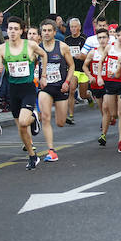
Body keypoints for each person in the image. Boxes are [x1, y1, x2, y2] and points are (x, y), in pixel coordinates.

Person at [0, 17, 47, 170]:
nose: (12, 32)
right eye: (10, 28)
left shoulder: (30, 45)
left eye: (16, 29)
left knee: (24, 122)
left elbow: (44, 55)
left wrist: (43, 76)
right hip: (13, 90)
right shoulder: (2, 48)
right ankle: (32, 155)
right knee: (21, 128)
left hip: (28, 88)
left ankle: (33, 117)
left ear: (22, 31)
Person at [37, 19, 75, 161]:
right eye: (44, 30)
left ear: (54, 32)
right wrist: (38, 77)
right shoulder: (38, 48)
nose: (46, 33)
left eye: (49, 30)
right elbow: (33, 66)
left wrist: (67, 82)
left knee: (60, 122)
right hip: (45, 88)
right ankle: (51, 150)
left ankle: (52, 147)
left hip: (61, 87)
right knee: (46, 117)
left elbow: (71, 66)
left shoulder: (63, 47)